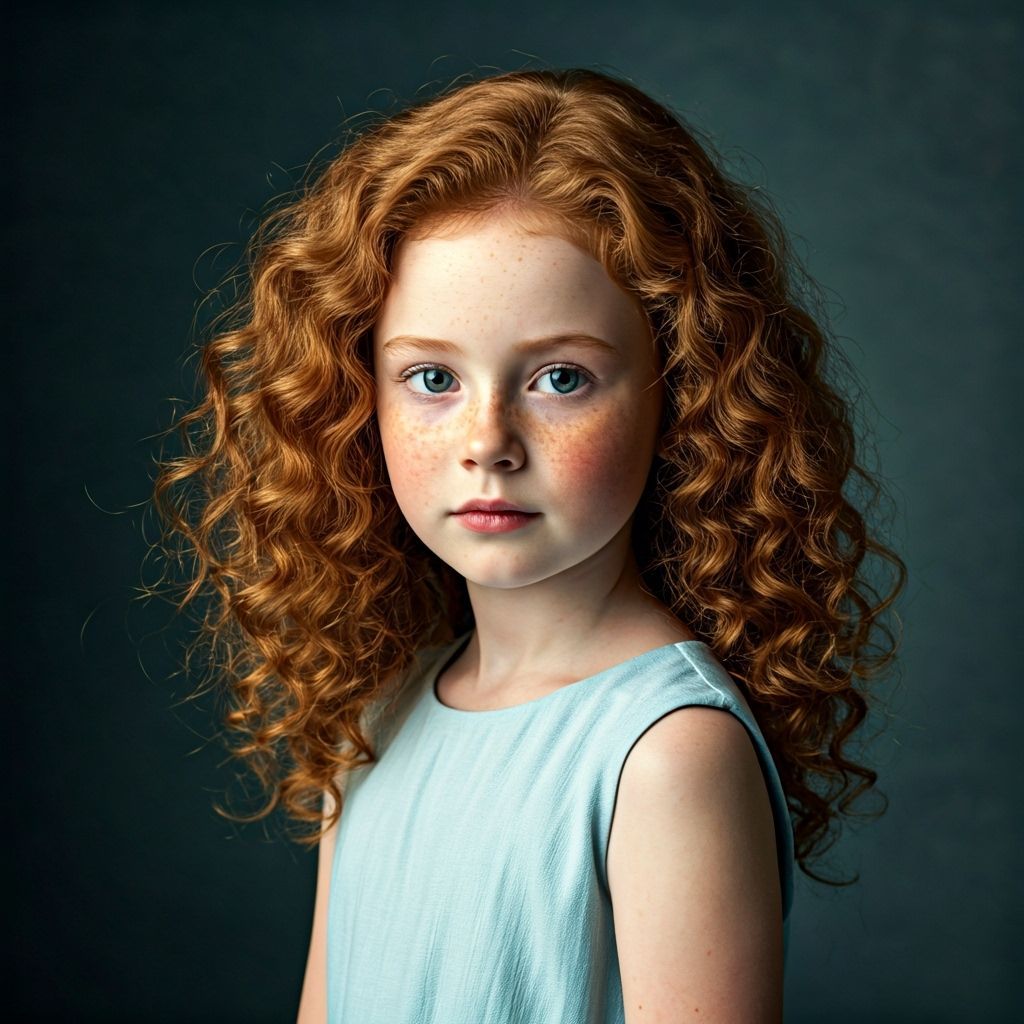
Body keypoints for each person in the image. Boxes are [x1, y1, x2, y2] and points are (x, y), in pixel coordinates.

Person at [151, 67, 905, 1023]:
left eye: (558, 378)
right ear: (357, 401)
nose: (487, 441)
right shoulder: (377, 719)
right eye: (432, 377)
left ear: (682, 394)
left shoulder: (668, 753)